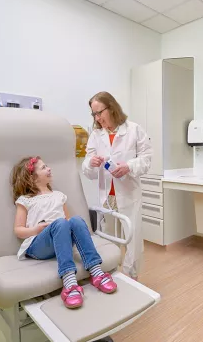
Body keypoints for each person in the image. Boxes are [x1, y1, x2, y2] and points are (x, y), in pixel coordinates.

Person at [11, 156, 117, 309]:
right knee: (60, 223)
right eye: (43, 167)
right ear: (32, 178)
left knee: (76, 220)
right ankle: (69, 282)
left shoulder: (59, 196)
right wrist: (36, 229)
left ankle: (96, 271)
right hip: (38, 245)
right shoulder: (26, 200)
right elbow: (18, 230)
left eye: (47, 165)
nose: (49, 168)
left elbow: (68, 221)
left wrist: (69, 227)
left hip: (60, 241)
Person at [82, 91, 152, 280]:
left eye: (99, 112)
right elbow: (87, 171)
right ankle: (110, 276)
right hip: (107, 196)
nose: (97, 118)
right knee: (109, 237)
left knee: (132, 237)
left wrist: (128, 167)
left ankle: (131, 278)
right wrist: (91, 163)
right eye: (94, 114)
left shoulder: (134, 130)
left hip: (129, 193)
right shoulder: (96, 135)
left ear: (111, 108)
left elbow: (146, 160)